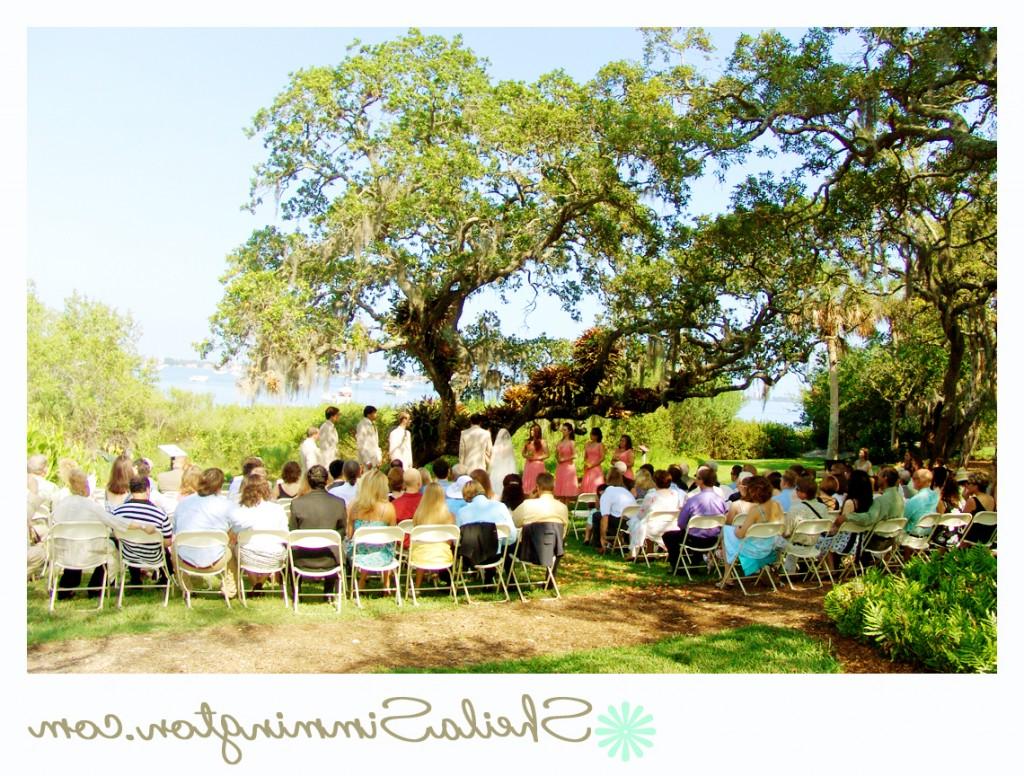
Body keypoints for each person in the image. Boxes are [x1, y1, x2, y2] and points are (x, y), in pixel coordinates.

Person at [50, 469, 127, 598]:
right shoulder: (92, 506)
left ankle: (66, 586)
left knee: (74, 544)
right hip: (91, 550)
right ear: (85, 487)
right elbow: (113, 522)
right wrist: (135, 524)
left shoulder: (61, 505)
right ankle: (96, 587)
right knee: (112, 546)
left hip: (65, 551)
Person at [172, 468, 238, 599]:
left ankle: (185, 584)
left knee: (175, 546)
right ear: (220, 486)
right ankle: (230, 585)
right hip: (217, 559)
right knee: (231, 546)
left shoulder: (183, 503)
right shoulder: (226, 505)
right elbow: (235, 531)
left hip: (185, 559)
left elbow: (176, 530)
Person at [289, 465, 347, 598]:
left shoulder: (297, 503)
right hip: (330, 558)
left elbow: (292, 531)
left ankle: (297, 594)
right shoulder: (339, 503)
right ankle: (328, 592)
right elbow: (342, 531)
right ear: (327, 481)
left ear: (308, 481)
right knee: (335, 544)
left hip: (302, 558)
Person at [229, 473, 289, 593]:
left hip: (247, 556)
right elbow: (285, 534)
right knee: (271, 548)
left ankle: (255, 583)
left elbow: (234, 533)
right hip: (274, 557)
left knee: (237, 547)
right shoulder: (277, 509)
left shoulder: (240, 509)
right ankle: (259, 583)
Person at [719, 475, 784, 584]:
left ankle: (727, 576)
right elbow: (781, 529)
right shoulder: (776, 505)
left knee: (726, 531)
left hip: (752, 549)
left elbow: (739, 534)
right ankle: (767, 567)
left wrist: (736, 530)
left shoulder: (747, 508)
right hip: (770, 547)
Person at [113, 474, 174, 587]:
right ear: (147, 490)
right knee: (163, 547)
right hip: (154, 556)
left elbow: (116, 535)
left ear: (130, 490)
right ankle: (166, 577)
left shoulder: (118, 512)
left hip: (128, 555)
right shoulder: (159, 514)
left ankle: (135, 578)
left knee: (128, 543)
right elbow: (167, 542)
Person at [664, 467, 727, 570]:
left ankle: (677, 566)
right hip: (714, 539)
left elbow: (681, 523)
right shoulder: (721, 501)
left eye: (697, 478)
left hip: (694, 539)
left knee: (668, 536)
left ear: (701, 481)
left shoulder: (693, 500)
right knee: (692, 532)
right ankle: (695, 563)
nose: (695, 480)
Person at [346, 469, 398, 591]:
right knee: (386, 544)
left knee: (362, 545)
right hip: (384, 556)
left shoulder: (354, 506)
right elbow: (392, 535)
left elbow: (350, 535)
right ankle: (386, 583)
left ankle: (362, 581)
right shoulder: (389, 508)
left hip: (360, 555)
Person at [409, 482, 457, 588]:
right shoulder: (449, 516)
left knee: (423, 548)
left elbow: (416, 539)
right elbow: (449, 542)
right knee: (436, 548)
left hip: (421, 555)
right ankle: (437, 576)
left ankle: (417, 586)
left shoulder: (418, 515)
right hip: (443, 556)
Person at [628, 469, 681, 560]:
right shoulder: (675, 494)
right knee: (645, 521)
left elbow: (641, 514)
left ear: (655, 481)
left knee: (636, 521)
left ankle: (634, 552)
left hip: (654, 528)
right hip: (672, 526)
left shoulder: (651, 496)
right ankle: (649, 551)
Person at [457, 480, 517, 549]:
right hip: (495, 555)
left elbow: (457, 542)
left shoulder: (462, 512)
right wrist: (499, 542)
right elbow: (512, 536)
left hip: (470, 556)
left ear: (466, 496)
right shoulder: (500, 506)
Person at [596, 467, 636, 553]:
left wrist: (602, 536)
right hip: (633, 520)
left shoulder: (607, 493)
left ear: (607, 479)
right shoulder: (625, 491)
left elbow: (605, 516)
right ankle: (618, 541)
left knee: (597, 516)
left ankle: (600, 544)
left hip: (621, 522)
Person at [961, 471, 996, 545]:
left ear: (976, 486)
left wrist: (966, 499)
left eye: (969, 483)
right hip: (986, 536)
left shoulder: (972, 501)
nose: (966, 486)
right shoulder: (991, 499)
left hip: (972, 537)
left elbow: (962, 519)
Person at [903, 468, 939, 535]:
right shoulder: (936, 496)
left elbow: (904, 517)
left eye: (913, 478)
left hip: (912, 535)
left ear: (919, 481)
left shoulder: (916, 499)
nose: (912, 480)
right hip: (928, 534)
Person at [521, 424, 549, 494]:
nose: (531, 432)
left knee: (537, 481)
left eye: (533, 430)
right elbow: (523, 453)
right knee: (527, 482)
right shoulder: (527, 442)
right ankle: (528, 496)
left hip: (538, 465)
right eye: (531, 430)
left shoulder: (542, 441)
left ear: (538, 432)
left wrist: (536, 458)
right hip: (528, 465)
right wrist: (527, 456)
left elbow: (547, 454)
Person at [355, 405, 382, 469]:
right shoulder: (362, 425)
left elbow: (375, 444)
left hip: (375, 459)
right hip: (367, 460)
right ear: (368, 414)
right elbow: (361, 444)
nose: (376, 415)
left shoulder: (373, 425)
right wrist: (367, 461)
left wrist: (379, 458)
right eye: (374, 413)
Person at [580, 428, 605, 494]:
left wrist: (592, 465)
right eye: (591, 434)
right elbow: (585, 456)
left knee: (595, 487)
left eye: (593, 434)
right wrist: (585, 464)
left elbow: (602, 458)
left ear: (597, 436)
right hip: (588, 468)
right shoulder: (587, 444)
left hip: (596, 468)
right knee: (587, 487)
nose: (591, 435)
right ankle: (588, 503)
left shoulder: (600, 444)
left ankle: (596, 502)